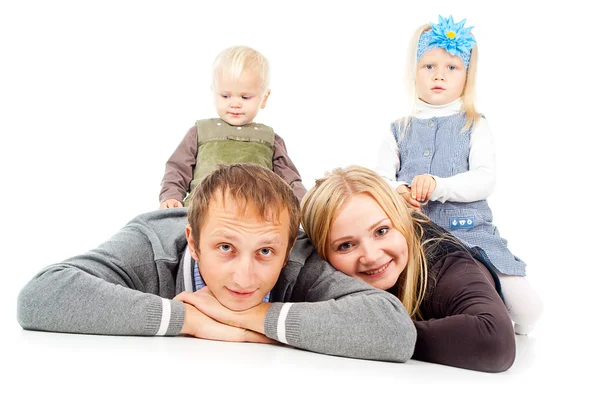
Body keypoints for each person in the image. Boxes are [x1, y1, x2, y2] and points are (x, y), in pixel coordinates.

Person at [17, 163, 415, 363]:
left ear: (288, 244)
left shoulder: (298, 254)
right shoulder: (152, 240)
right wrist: (190, 320)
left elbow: (394, 331)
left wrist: (251, 318)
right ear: (193, 240)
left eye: (265, 252)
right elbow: (41, 295)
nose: (245, 276)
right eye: (225, 247)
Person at [374, 15, 542, 335]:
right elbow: (380, 178)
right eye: (429, 67)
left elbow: (484, 178)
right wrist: (400, 190)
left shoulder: (474, 123)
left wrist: (439, 185)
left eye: (452, 68)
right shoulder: (398, 128)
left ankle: (497, 310)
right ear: (414, 73)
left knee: (530, 311)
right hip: (418, 237)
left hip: (473, 235)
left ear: (467, 76)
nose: (439, 75)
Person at [301, 165, 515, 372]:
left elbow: (495, 340)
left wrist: (369, 333)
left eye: (381, 231)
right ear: (322, 254)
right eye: (345, 246)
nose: (372, 256)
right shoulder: (320, 269)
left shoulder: (444, 265)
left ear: (402, 220)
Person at [159, 45, 306, 208]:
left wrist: (306, 205)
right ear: (214, 94)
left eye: (245, 97)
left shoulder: (269, 139)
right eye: (225, 96)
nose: (234, 103)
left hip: (256, 214)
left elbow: (290, 181)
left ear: (264, 98)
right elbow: (177, 168)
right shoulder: (200, 132)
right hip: (203, 211)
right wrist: (171, 196)